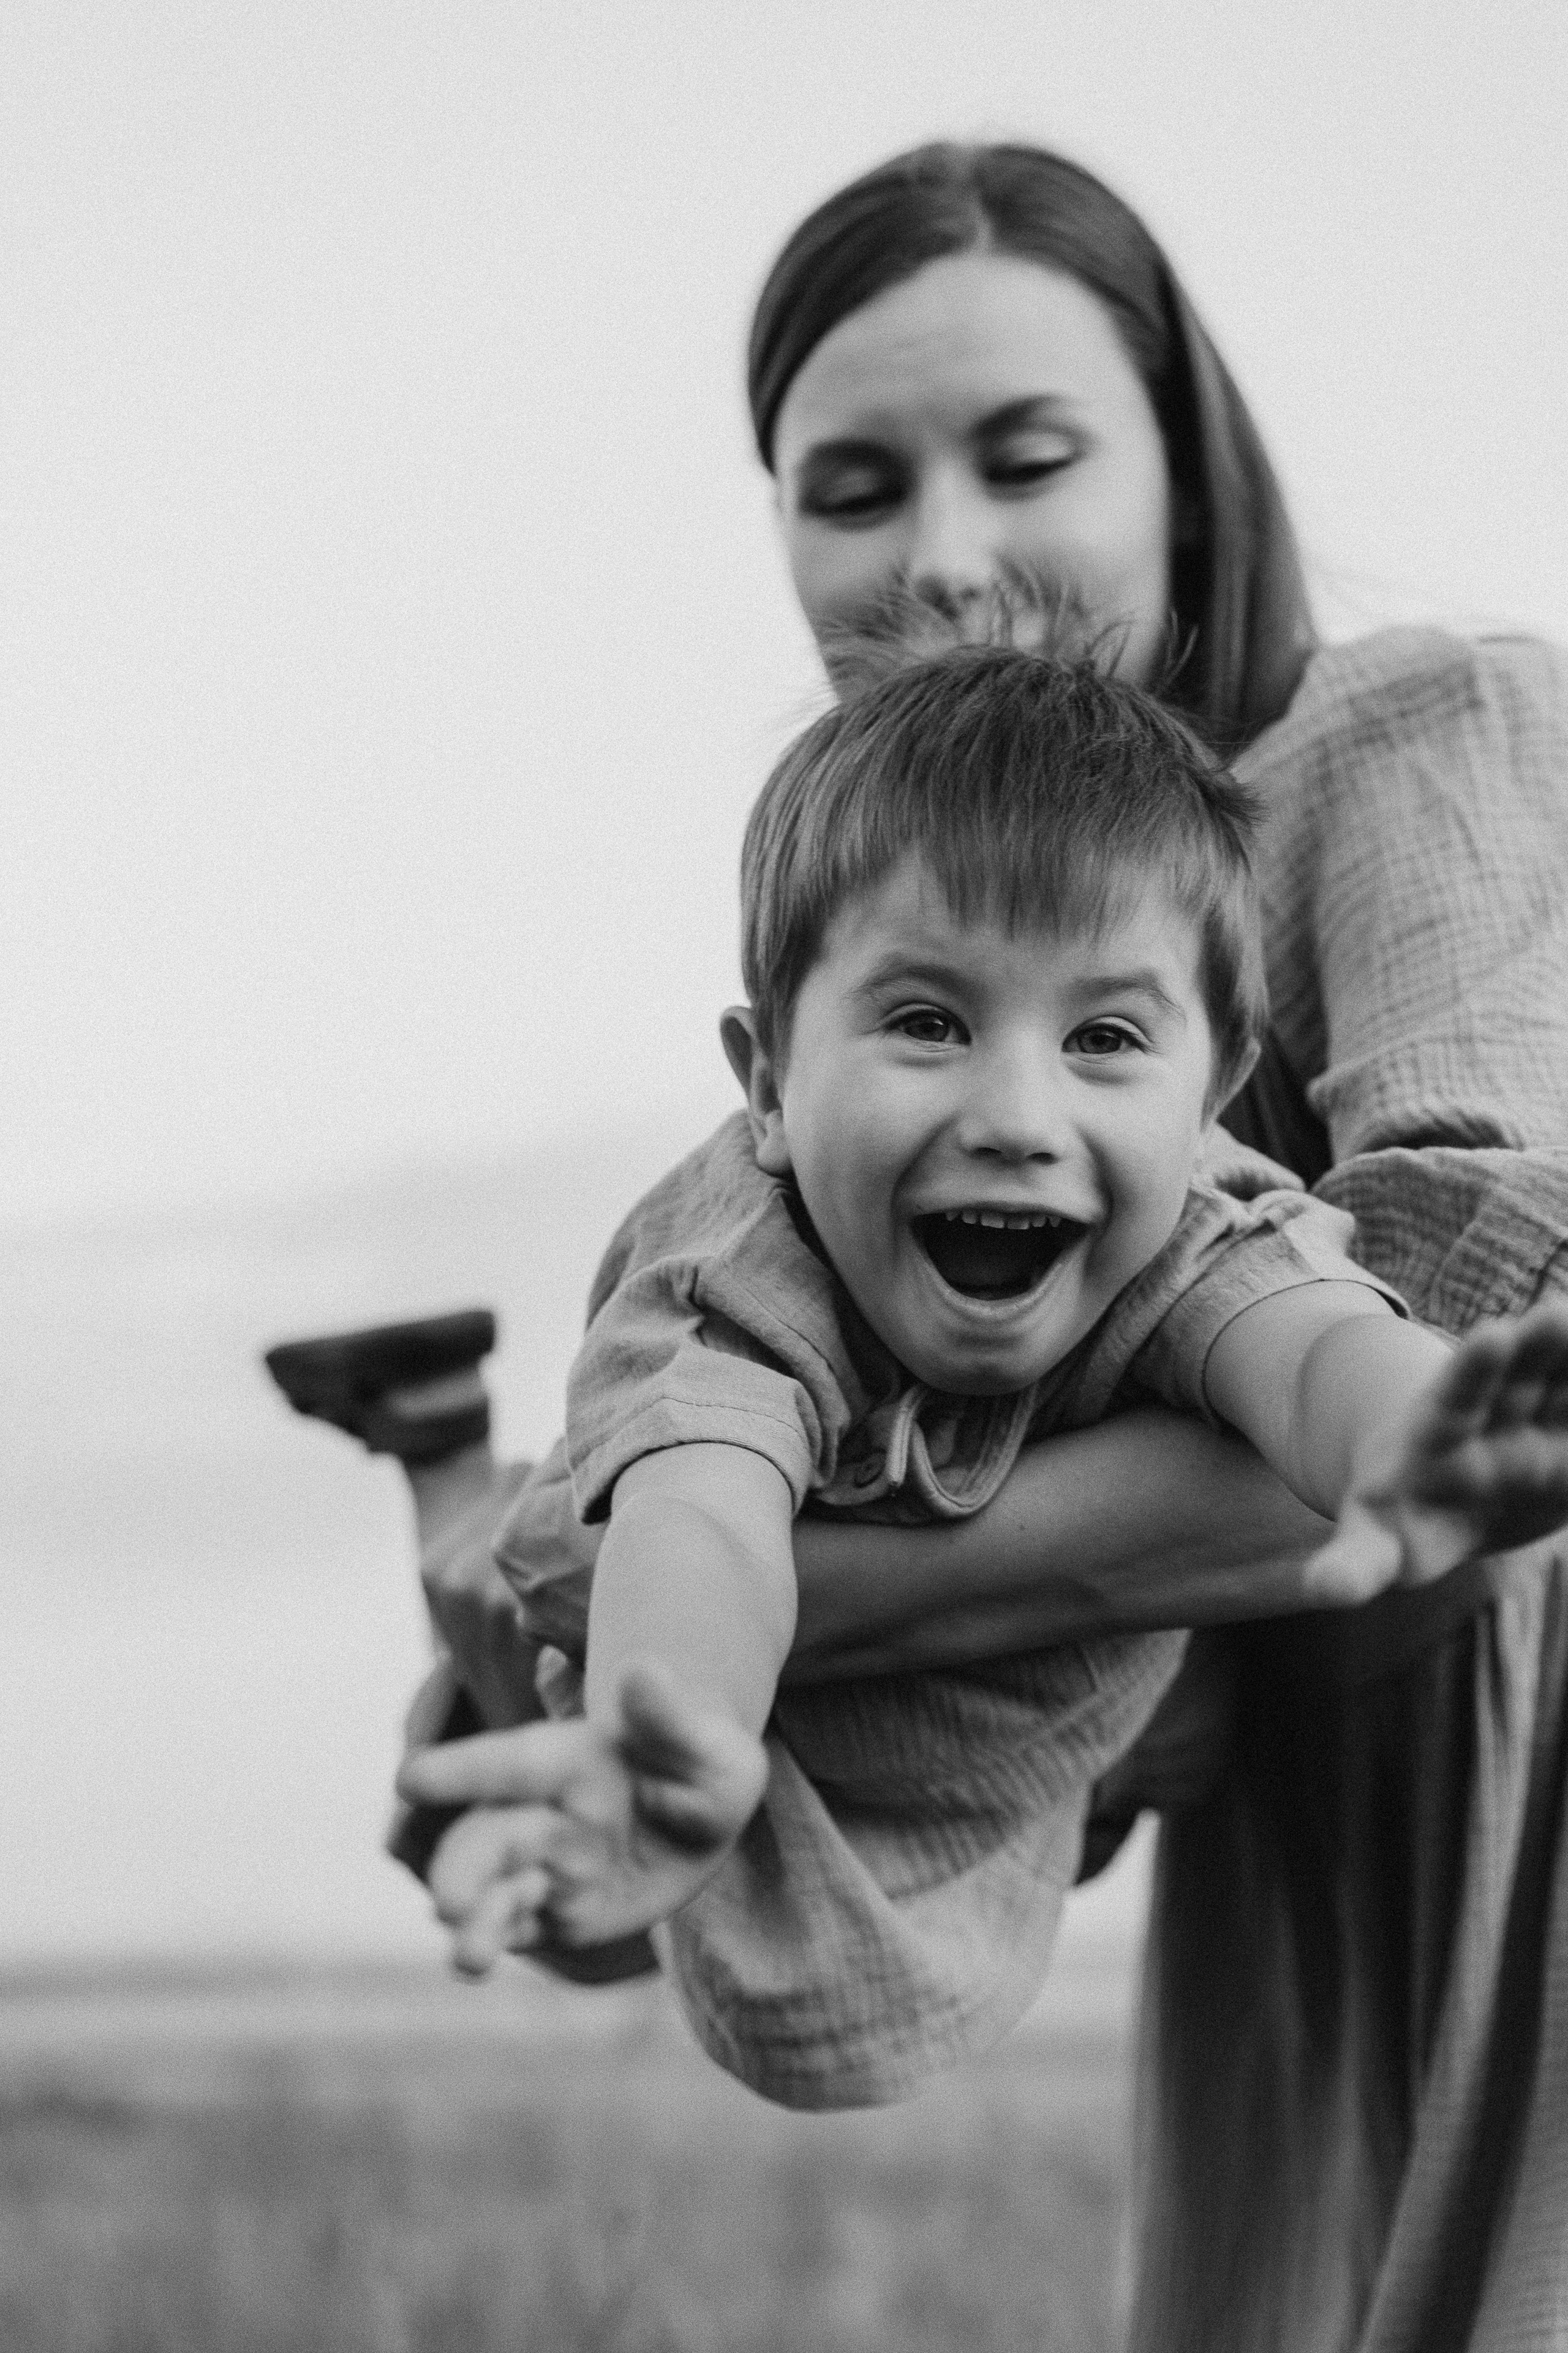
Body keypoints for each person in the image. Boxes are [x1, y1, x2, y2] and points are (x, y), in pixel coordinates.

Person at [266, 146, 1568, 2351]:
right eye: (853, 486)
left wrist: (716, 1580)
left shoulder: (1413, 729)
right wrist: (646, 1636)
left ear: (1185, 458)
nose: (946, 556)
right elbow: (957, 1659)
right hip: (1288, 1884)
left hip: (1512, 1768)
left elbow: (1456, 1309)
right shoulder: (859, 1045)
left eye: (1029, 455)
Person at [396, 645, 1568, 2131]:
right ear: (765, 1083)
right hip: (747, 1712)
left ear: (1210, 1099)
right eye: (927, 1023)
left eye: (1103, 1040)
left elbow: (1314, 1342)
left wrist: (1428, 1435)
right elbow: (703, 1520)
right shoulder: (734, 1279)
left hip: (1030, 1747)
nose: (1018, 1115)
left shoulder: (1199, 1217)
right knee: (544, 1730)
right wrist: (669, 1723)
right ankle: (434, 1449)